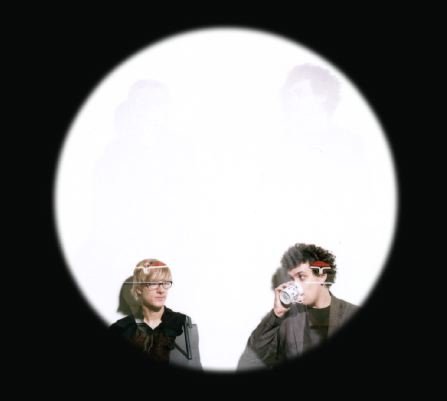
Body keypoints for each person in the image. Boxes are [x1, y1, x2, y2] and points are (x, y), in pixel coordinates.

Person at [237, 243, 357, 370]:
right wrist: (276, 314)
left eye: (302, 277)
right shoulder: (285, 319)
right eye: (292, 279)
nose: (296, 285)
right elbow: (251, 360)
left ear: (322, 276)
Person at [109, 258, 202, 369]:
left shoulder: (182, 325)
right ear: (139, 288)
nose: (161, 290)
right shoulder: (120, 329)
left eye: (165, 283)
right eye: (153, 283)